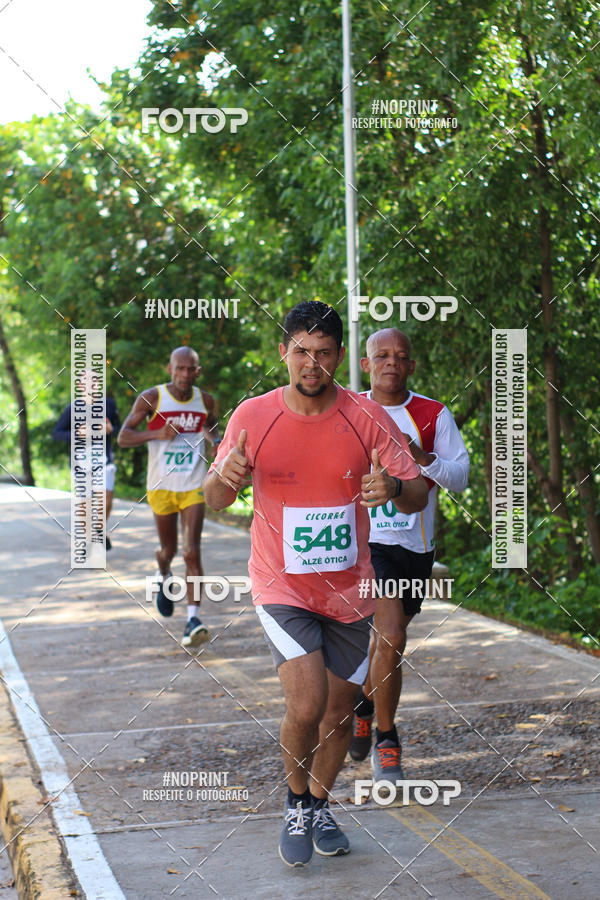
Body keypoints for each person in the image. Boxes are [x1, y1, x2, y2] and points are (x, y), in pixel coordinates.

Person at [203, 302, 428, 867]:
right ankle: (295, 802)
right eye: (301, 351)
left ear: (339, 358)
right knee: (306, 704)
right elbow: (214, 498)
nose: (311, 363)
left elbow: (419, 489)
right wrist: (225, 480)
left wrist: (394, 491)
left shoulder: (364, 415)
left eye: (323, 353)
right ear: (283, 352)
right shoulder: (253, 416)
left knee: (338, 710)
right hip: (282, 585)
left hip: (350, 590)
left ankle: (317, 804)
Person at [348, 328, 470, 783]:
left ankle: (364, 703)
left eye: (400, 356)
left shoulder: (433, 414)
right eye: (381, 355)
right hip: (366, 546)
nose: (391, 363)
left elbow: (459, 477)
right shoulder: (350, 409)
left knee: (386, 645)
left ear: (411, 365)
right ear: (366, 365)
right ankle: (387, 739)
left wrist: (423, 458)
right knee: (393, 636)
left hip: (415, 548)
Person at [117, 347, 221, 647]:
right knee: (169, 550)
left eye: (191, 369)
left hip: (193, 486)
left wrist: (216, 440)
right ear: (169, 369)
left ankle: (193, 619)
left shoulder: (206, 400)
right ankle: (163, 573)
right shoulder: (152, 398)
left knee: (191, 551)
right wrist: (156, 434)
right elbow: (124, 437)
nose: (185, 374)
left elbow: (211, 426)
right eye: (180, 368)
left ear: (198, 371)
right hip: (161, 486)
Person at [53, 371, 120, 550]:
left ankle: (98, 529)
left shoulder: (109, 405)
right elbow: (57, 433)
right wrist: (78, 434)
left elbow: (119, 427)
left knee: (106, 498)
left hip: (103, 460)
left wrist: (110, 429)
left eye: (95, 380)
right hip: (81, 463)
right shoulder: (72, 409)